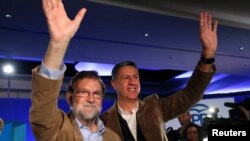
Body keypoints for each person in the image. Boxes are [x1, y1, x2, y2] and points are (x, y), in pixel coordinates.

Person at [100, 12, 218, 141]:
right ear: (114, 83)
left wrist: (208, 55)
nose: (132, 82)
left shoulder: (154, 108)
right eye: (126, 77)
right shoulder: (103, 121)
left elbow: (190, 95)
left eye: (135, 77)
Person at [29, 0, 120, 141]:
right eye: (83, 92)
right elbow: (43, 107)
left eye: (96, 94)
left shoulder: (113, 137)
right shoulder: (57, 129)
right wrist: (58, 43)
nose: (91, 99)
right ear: (70, 97)